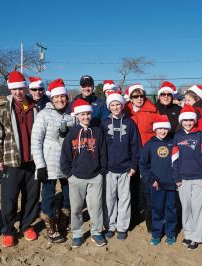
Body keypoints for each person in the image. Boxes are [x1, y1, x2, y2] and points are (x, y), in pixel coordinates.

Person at [0, 70, 40, 248]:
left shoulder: (36, 107)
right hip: (11, 162)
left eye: (21, 88)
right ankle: (8, 230)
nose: (18, 92)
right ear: (10, 90)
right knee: (9, 199)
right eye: (14, 89)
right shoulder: (2, 109)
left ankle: (26, 225)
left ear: (26, 88)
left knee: (31, 197)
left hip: (33, 161)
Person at [31, 79, 75, 243]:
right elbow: (36, 141)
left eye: (62, 97)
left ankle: (64, 220)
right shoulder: (44, 115)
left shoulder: (72, 115)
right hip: (49, 162)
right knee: (48, 196)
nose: (60, 100)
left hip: (68, 163)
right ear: (52, 98)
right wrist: (40, 165)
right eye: (56, 97)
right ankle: (50, 225)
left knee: (67, 195)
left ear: (66, 97)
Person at [60, 98, 107, 248]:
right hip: (76, 177)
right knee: (76, 208)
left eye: (88, 114)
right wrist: (69, 175)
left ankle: (96, 232)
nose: (86, 117)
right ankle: (78, 233)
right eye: (82, 114)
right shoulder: (72, 133)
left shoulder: (98, 132)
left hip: (95, 177)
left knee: (96, 206)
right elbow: (65, 156)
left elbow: (103, 153)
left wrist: (102, 171)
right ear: (77, 116)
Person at [101, 92, 141, 240]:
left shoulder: (130, 123)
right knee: (109, 198)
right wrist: (103, 165)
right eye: (112, 105)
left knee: (125, 198)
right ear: (109, 107)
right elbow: (101, 147)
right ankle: (110, 225)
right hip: (109, 168)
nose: (116, 107)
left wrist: (133, 165)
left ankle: (122, 226)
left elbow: (136, 146)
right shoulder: (104, 123)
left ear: (122, 105)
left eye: (118, 104)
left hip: (126, 168)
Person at [172, 104, 202, 250]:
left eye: (191, 120)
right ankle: (188, 234)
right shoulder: (177, 136)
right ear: (181, 121)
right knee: (186, 207)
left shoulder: (200, 135)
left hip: (199, 178)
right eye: (185, 120)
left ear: (194, 121)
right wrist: (177, 178)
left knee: (198, 208)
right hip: (183, 179)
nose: (188, 123)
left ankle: (196, 237)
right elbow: (174, 159)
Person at [124, 83, 158, 230]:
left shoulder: (152, 111)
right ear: (130, 98)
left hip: (147, 155)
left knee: (147, 187)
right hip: (130, 155)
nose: (139, 99)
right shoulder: (125, 111)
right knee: (131, 188)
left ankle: (150, 220)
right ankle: (132, 218)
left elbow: (159, 133)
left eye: (141, 96)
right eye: (135, 96)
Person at [139, 115, 177, 246]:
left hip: (171, 184)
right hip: (157, 184)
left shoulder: (173, 142)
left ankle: (170, 233)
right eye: (160, 128)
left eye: (165, 129)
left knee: (171, 209)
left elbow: (178, 162)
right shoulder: (149, 145)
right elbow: (143, 165)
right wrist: (151, 180)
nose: (163, 131)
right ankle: (156, 234)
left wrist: (177, 178)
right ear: (156, 129)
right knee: (157, 209)